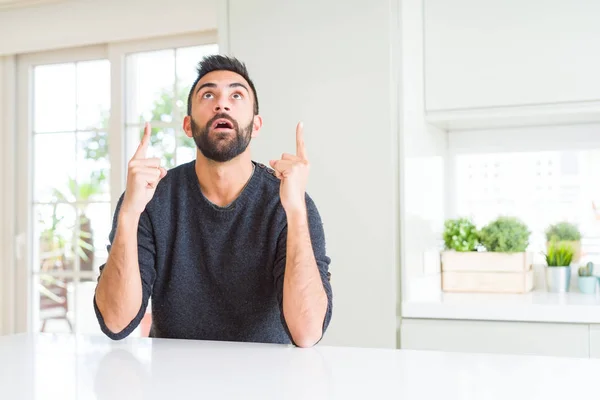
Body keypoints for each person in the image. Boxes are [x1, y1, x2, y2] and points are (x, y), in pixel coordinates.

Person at [93, 55, 333, 348]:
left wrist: (295, 212)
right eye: (208, 94)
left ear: (256, 126)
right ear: (188, 125)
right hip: (173, 382)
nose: (222, 104)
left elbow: (307, 332)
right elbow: (115, 321)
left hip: (268, 382)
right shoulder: (149, 199)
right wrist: (129, 213)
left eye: (236, 95)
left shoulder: (291, 202)